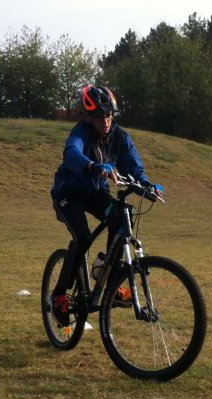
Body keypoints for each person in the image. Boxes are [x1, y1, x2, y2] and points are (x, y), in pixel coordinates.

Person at [49, 84, 163, 326]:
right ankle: (59, 294)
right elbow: (71, 153)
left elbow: (132, 163)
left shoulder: (119, 136)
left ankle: (106, 274)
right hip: (68, 193)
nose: (105, 121)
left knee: (123, 216)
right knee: (83, 238)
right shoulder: (81, 132)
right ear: (88, 117)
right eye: (99, 117)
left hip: (95, 192)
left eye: (109, 115)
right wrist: (93, 166)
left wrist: (146, 184)